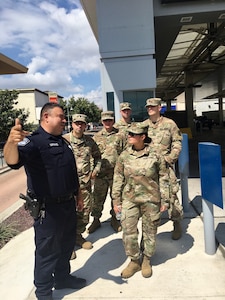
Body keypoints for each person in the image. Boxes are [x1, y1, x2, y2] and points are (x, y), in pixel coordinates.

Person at [3, 103, 86, 300]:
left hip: (67, 205)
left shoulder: (63, 142)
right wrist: (11, 142)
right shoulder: (33, 142)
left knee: (66, 246)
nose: (65, 120)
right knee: (47, 252)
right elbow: (13, 162)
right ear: (46, 117)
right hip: (48, 210)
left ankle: (63, 278)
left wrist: (78, 195)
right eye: (60, 116)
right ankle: (43, 292)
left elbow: (70, 171)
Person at [112, 123, 170, 279]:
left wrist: (165, 199)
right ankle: (134, 260)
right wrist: (115, 199)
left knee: (150, 231)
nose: (129, 136)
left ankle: (146, 259)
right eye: (129, 134)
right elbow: (118, 177)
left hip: (151, 199)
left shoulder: (155, 154)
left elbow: (164, 177)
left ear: (143, 137)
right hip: (130, 199)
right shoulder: (124, 155)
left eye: (133, 134)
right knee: (128, 230)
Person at [141, 97, 183, 240]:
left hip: (165, 166)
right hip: (149, 169)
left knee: (171, 195)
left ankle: (177, 222)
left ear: (160, 107)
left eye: (153, 106)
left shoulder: (169, 124)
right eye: (148, 107)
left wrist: (170, 158)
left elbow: (177, 142)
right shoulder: (144, 126)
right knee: (151, 196)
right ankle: (154, 220)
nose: (150, 108)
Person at [63, 113, 101, 251]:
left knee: (84, 212)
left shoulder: (90, 141)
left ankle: (78, 236)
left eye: (82, 123)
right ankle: (67, 245)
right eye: (76, 123)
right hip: (67, 186)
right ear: (72, 124)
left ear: (85, 125)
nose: (79, 125)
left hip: (84, 185)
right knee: (66, 214)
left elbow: (98, 157)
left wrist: (95, 170)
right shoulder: (64, 140)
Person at [87, 111, 124, 234]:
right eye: (105, 120)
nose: (108, 123)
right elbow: (92, 155)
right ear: (102, 121)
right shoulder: (96, 137)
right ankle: (96, 220)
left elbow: (125, 153)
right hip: (101, 174)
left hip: (116, 174)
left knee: (116, 198)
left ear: (113, 120)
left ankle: (115, 219)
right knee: (97, 198)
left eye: (110, 120)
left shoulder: (120, 135)